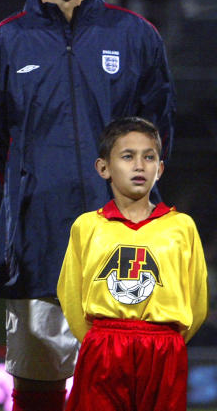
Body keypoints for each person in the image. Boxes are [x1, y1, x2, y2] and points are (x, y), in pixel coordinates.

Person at [0, 0, 176, 411]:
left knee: (124, 394)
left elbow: (159, 135)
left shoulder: (136, 37)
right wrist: (26, 199)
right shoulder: (2, 44)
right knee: (38, 395)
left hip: (123, 252)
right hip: (38, 249)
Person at [56, 117, 207, 411]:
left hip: (163, 347)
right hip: (103, 346)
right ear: (104, 168)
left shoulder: (181, 226)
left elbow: (197, 300)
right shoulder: (87, 226)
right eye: (128, 156)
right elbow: (71, 295)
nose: (140, 165)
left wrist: (168, 340)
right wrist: (97, 340)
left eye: (149, 157)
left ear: (159, 169)